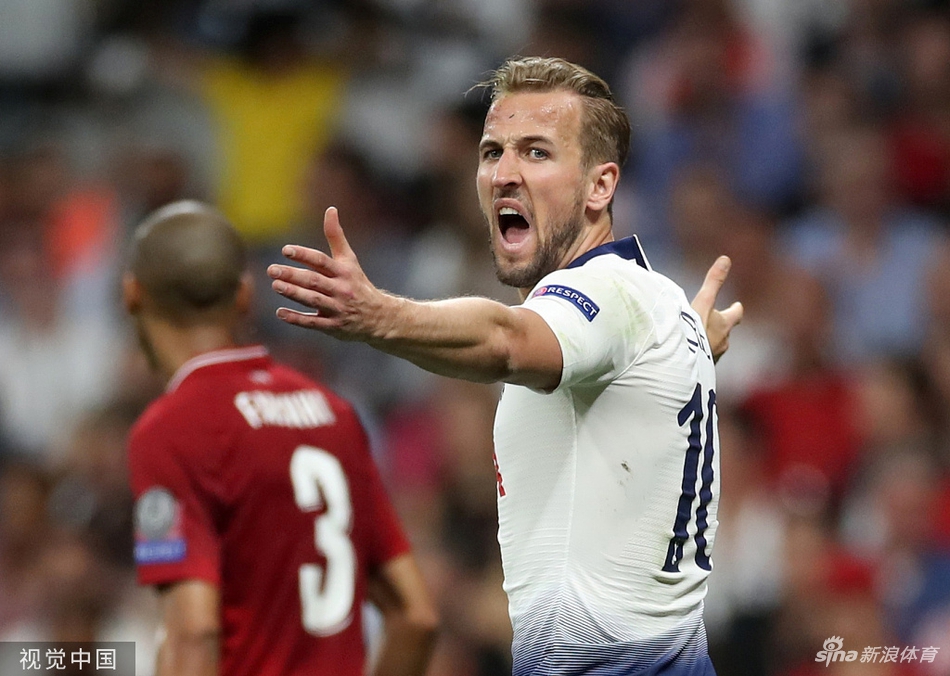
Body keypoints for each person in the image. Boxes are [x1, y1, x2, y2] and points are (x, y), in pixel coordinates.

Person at [268, 56, 743, 675]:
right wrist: (689, 348)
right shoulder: (648, 307)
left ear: (600, 187)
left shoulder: (608, 289)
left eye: (537, 153)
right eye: (493, 152)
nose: (504, 174)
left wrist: (379, 315)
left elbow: (506, 339)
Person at [123, 201, 437, 676]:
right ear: (246, 295)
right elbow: (416, 617)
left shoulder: (171, 429)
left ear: (132, 293)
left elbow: (194, 631)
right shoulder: (331, 414)